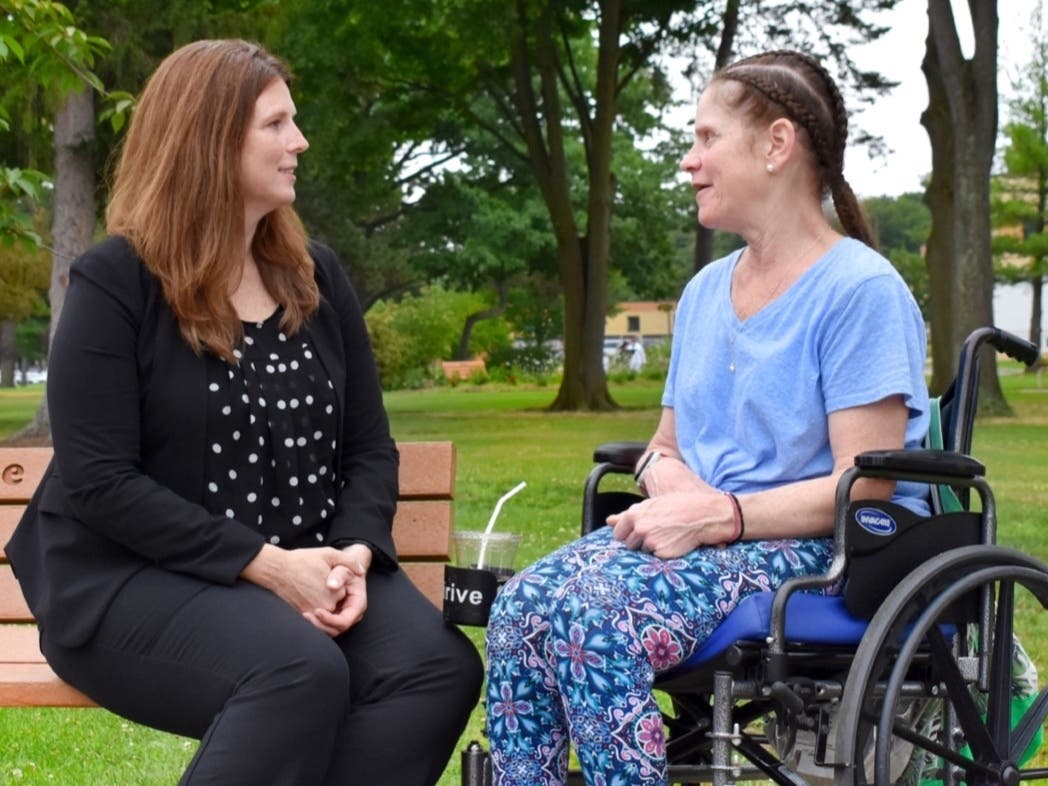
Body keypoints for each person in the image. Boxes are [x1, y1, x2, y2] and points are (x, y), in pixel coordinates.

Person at [5, 39, 482, 786]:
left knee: (435, 668)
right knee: (296, 670)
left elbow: (367, 448)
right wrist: (267, 569)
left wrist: (353, 553)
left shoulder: (313, 275)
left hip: (303, 562)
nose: (301, 141)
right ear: (210, 139)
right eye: (277, 123)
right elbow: (100, 482)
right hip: (130, 577)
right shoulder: (117, 282)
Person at [483, 49, 930, 786]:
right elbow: (663, 445)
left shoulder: (859, 291)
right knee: (520, 610)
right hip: (708, 540)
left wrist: (715, 515)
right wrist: (670, 479)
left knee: (597, 620)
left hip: (820, 553)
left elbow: (865, 487)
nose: (690, 163)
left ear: (776, 145)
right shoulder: (703, 293)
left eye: (706, 138)